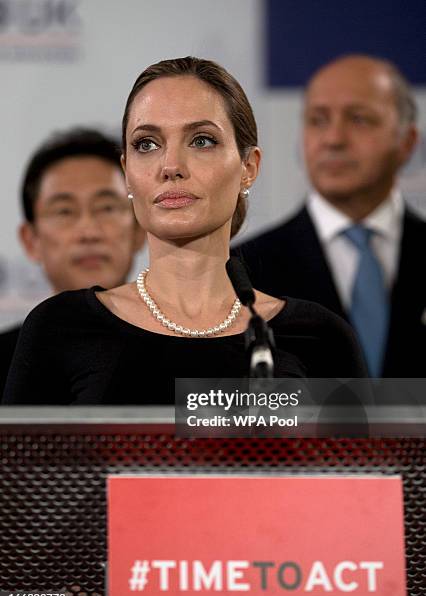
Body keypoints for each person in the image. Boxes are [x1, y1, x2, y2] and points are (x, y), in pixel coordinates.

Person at [3, 57, 366, 406]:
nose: (171, 166)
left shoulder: (318, 337)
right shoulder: (61, 327)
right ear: (127, 171)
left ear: (248, 168)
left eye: (201, 140)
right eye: (147, 144)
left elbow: (362, 468)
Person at [235, 55, 425, 377]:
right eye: (318, 120)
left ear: (406, 143)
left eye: (359, 119)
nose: (334, 139)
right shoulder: (244, 271)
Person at [0, 128, 145, 395]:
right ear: (31, 240)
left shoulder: (178, 348)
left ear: (139, 231)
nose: (88, 232)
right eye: (64, 211)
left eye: (107, 208)